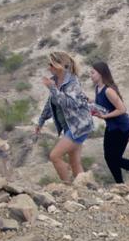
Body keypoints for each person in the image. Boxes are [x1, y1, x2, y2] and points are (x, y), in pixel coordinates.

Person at [35, 51, 93, 183]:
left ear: (59, 65)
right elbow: (51, 103)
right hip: (70, 127)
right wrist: (41, 121)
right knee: (75, 163)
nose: (48, 67)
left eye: (51, 64)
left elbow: (70, 103)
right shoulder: (55, 80)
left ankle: (68, 187)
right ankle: (84, 189)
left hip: (79, 126)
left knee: (55, 156)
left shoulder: (73, 82)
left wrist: (52, 88)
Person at [89, 61, 129, 184]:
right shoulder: (98, 88)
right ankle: (120, 183)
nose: (90, 75)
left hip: (122, 127)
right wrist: (91, 103)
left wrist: (105, 116)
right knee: (109, 157)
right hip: (112, 126)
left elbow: (122, 109)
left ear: (101, 73)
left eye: (93, 72)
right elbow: (102, 103)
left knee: (115, 159)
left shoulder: (108, 90)